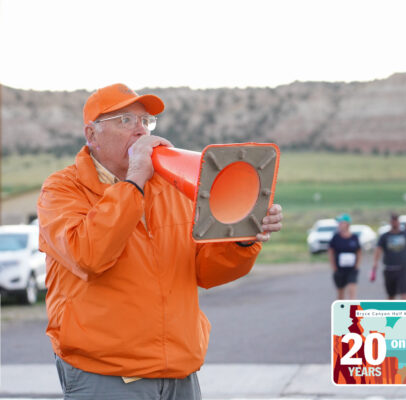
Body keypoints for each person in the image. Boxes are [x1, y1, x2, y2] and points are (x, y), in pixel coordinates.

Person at [36, 83, 283, 400]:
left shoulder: (172, 186)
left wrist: (241, 239)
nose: (140, 131)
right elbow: (89, 255)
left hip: (179, 370)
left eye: (145, 122)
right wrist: (135, 179)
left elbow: (205, 272)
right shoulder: (61, 189)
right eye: (125, 120)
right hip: (107, 374)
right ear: (91, 134)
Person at [371, 213, 406, 300]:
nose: (394, 223)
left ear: (398, 222)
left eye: (396, 221)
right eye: (393, 221)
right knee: (391, 296)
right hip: (389, 269)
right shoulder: (384, 236)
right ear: (390, 222)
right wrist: (375, 263)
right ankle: (391, 313)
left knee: (404, 294)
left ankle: (405, 312)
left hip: (403, 269)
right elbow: (378, 250)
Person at [328, 213, 361, 300]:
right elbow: (331, 252)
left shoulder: (354, 237)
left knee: (352, 291)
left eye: (341, 223)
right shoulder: (336, 237)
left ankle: (353, 312)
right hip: (340, 269)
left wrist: (357, 265)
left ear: (347, 224)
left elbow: (358, 251)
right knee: (340, 292)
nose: (339, 225)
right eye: (339, 223)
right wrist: (333, 266)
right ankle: (341, 312)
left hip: (351, 269)